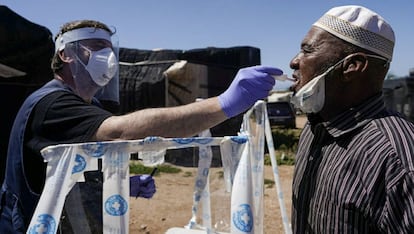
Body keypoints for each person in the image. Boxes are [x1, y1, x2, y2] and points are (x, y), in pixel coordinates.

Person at [0, 19, 282, 233]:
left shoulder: (88, 107)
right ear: (66, 54)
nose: (108, 57)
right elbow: (120, 131)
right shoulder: (53, 105)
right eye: (97, 47)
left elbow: (72, 172)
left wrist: (121, 185)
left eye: (110, 49)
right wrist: (223, 104)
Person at [289, 5, 414, 233]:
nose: (294, 62)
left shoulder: (396, 158)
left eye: (307, 51)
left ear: (352, 67)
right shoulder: (314, 128)